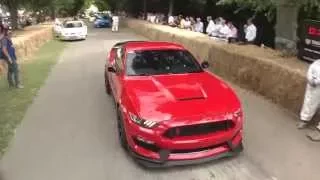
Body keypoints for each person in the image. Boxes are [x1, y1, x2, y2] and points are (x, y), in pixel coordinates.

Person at [297, 59, 320, 141]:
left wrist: (317, 81)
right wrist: (311, 79)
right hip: (314, 87)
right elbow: (311, 70)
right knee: (309, 101)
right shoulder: (317, 63)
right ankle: (304, 119)